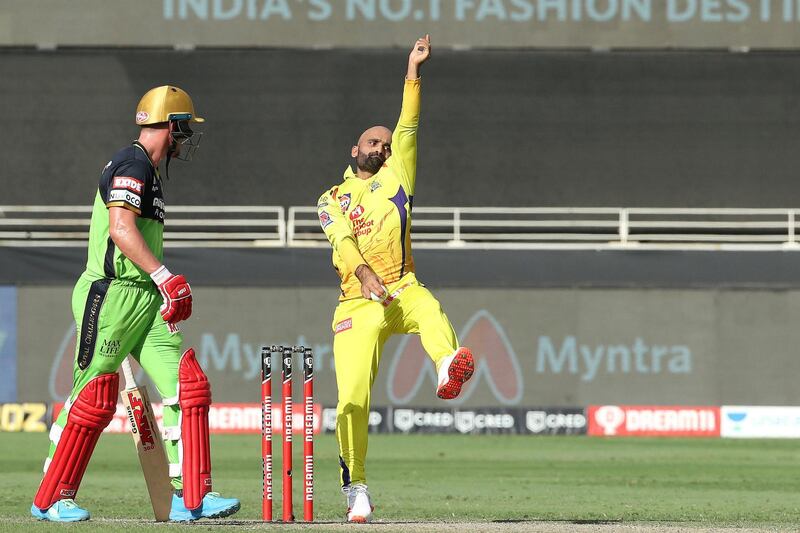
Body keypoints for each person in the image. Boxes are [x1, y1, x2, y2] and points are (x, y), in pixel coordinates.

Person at [30, 86, 240, 522]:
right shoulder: (132, 163)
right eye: (184, 129)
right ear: (172, 125)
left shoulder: (150, 171)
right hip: (110, 294)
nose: (185, 139)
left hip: (144, 295)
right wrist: (165, 276)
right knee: (93, 397)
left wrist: (158, 285)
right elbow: (121, 228)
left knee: (189, 385)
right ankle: (51, 499)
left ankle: (191, 498)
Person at [316, 35, 475, 523]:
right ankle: (355, 486)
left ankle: (447, 363)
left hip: (400, 285)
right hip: (356, 301)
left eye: (385, 144)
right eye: (373, 142)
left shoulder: (399, 171)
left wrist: (413, 68)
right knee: (352, 399)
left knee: (429, 308)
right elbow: (342, 244)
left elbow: (409, 121)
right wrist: (363, 275)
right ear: (354, 149)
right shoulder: (330, 198)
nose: (382, 147)